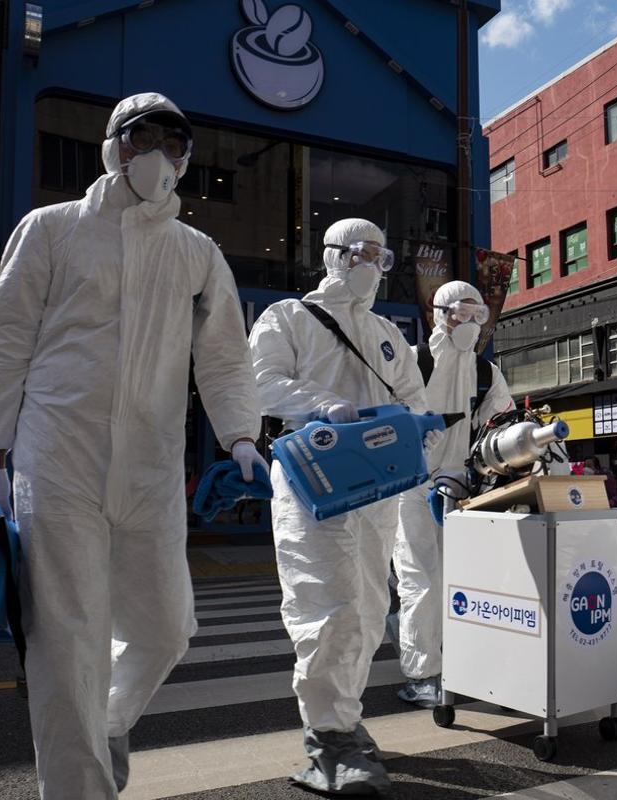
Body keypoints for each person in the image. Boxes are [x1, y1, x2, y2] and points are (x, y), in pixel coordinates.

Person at [0, 92, 266, 798]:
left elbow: (223, 356)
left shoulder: (196, 251)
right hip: (58, 456)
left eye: (176, 143)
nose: (159, 155)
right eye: (143, 138)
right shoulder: (51, 229)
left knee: (168, 627)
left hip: (152, 464)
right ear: (113, 146)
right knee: (67, 641)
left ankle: (104, 721)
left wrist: (242, 435)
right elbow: (4, 340)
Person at [248, 217, 432, 796]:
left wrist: (414, 429)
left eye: (382, 255)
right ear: (333, 256)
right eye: (363, 252)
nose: (374, 265)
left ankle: (346, 720)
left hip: (377, 485)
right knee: (325, 605)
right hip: (313, 478)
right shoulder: (287, 318)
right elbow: (258, 382)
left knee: (371, 606)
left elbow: (412, 395)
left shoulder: (387, 331)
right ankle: (327, 738)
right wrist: (323, 404)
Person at [393, 280, 515, 708]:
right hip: (410, 486)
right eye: (462, 313)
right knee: (422, 580)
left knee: (458, 580)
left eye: (478, 315)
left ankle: (449, 654)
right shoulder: (412, 360)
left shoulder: (486, 372)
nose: (470, 323)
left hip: (458, 487)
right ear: (439, 312)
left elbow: (500, 422)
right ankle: (421, 672)